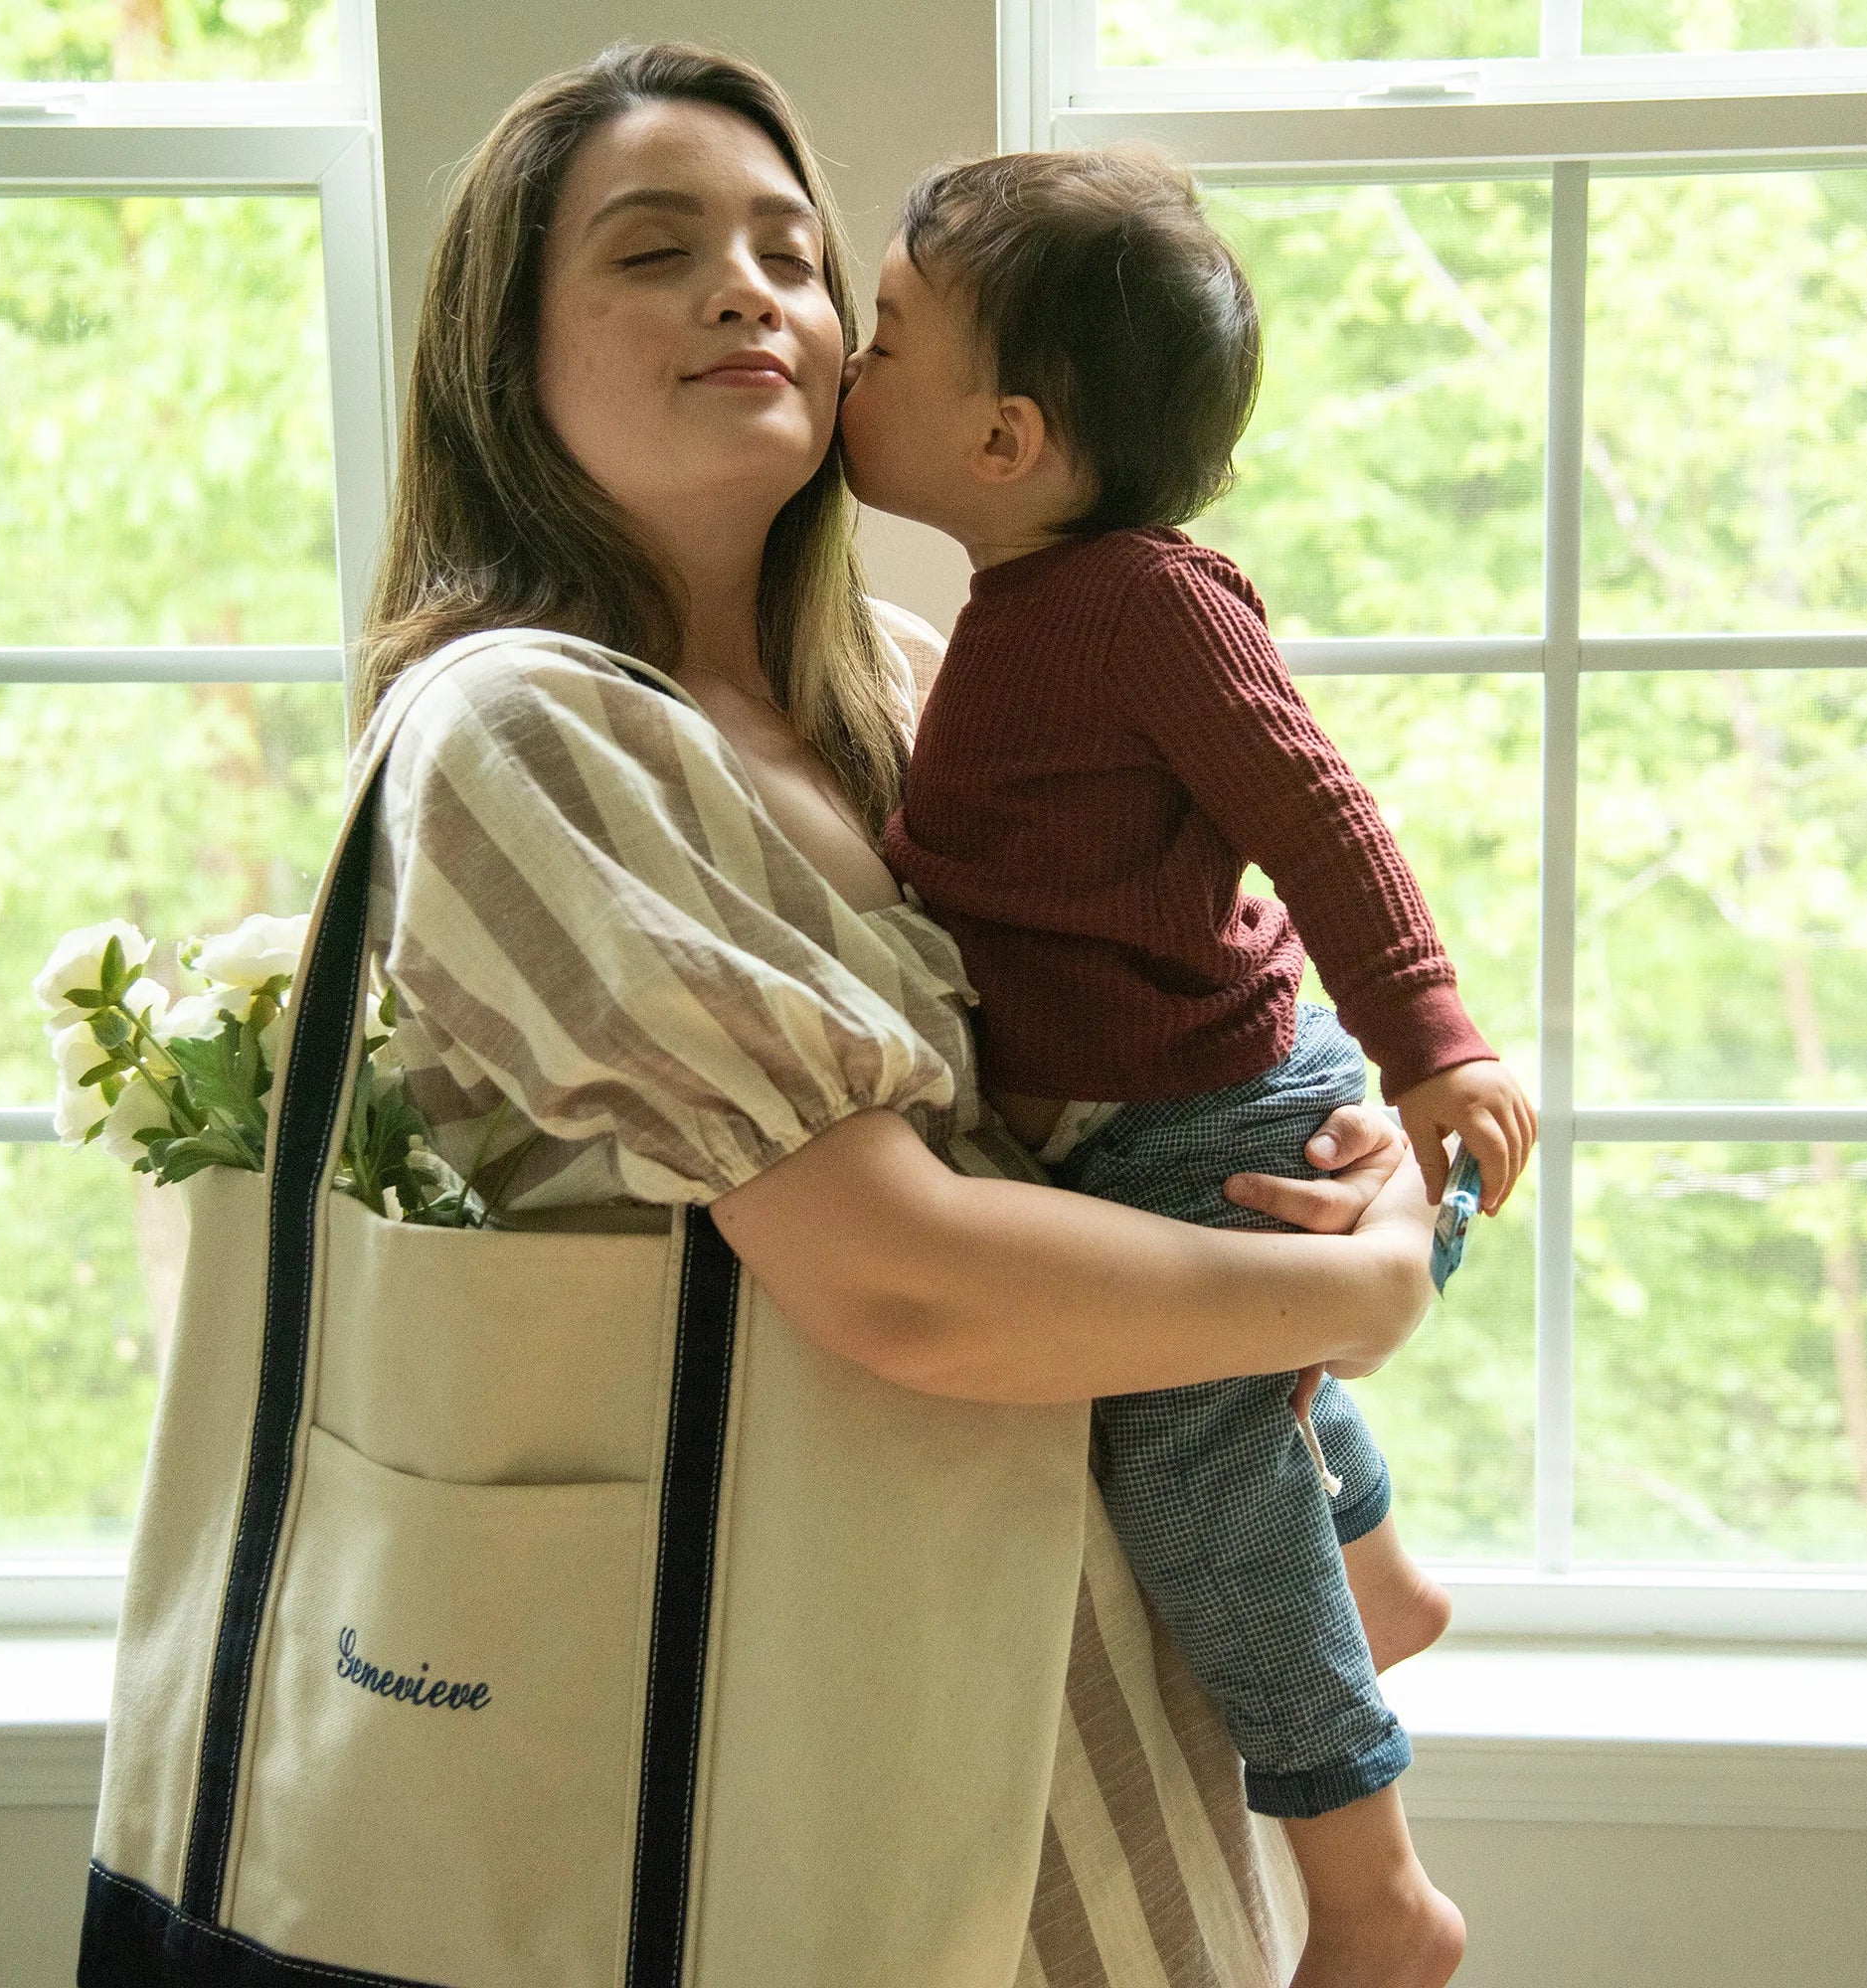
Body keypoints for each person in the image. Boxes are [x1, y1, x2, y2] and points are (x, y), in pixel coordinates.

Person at [356, 44, 1442, 1988]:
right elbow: (907, 1285)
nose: (749, 288)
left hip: (1125, 1758)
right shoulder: (517, 729)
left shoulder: (911, 683)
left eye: (794, 254)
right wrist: (1351, 1293)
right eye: (654, 249)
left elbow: (1149, 1004)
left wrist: (1330, 1149)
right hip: (812, 1779)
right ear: (498, 353)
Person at [834, 146, 1527, 1986]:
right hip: (1146, 1108)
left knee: (1185, 1453)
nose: (841, 353)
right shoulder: (1007, 604)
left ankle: (1378, 1899)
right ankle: (1380, 1584)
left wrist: (1435, 1043)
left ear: (1005, 439)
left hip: (1205, 1115)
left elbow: (1319, 810)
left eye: (884, 332)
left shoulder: (1144, 600)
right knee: (1227, 1399)